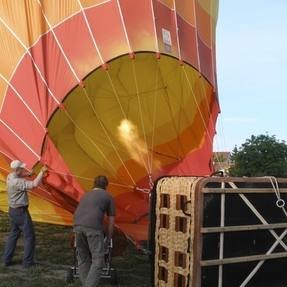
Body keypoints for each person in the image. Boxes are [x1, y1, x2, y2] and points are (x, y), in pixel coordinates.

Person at [3, 160, 47, 268]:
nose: (23, 170)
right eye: (22, 168)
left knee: (13, 235)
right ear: (17, 169)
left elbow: (20, 175)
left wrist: (29, 174)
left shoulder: (10, 176)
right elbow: (34, 184)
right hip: (20, 212)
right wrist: (42, 172)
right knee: (29, 236)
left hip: (13, 211)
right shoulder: (17, 182)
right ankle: (27, 263)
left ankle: (6, 260)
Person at [74, 175, 115, 287]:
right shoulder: (108, 197)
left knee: (83, 259)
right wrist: (109, 238)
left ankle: (86, 284)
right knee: (98, 261)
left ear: (94, 183)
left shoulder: (85, 195)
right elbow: (111, 221)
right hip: (93, 228)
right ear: (106, 185)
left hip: (77, 226)